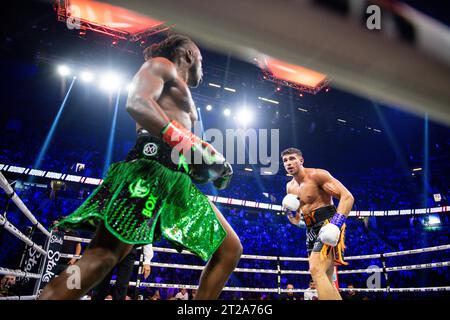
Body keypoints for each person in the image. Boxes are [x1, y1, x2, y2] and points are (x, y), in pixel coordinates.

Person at [39, 34, 242, 300]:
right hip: (150, 171)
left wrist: (213, 167)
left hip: (177, 181)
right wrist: (188, 144)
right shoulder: (161, 65)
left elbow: (187, 153)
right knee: (102, 256)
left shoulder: (185, 94)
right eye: (201, 60)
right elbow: (137, 103)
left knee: (229, 249)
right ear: (190, 54)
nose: (202, 68)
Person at [281, 148, 354, 300]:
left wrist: (336, 224)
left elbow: (347, 197)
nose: (288, 163)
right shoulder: (290, 187)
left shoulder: (317, 175)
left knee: (316, 269)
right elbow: (299, 216)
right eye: (285, 160)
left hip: (328, 223)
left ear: (301, 160)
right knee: (324, 277)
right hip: (310, 229)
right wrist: (290, 214)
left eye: (292, 158)